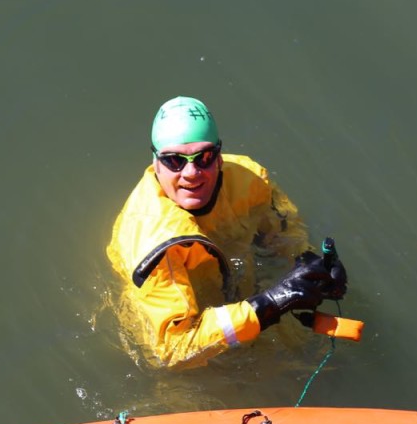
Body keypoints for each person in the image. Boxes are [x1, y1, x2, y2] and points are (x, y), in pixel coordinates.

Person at [106, 96, 347, 368]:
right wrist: (269, 303)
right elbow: (172, 351)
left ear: (219, 157)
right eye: (174, 161)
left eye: (204, 157)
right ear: (156, 163)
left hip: (239, 294)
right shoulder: (154, 243)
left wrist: (310, 264)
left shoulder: (249, 179)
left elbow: (283, 230)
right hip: (185, 346)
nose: (191, 173)